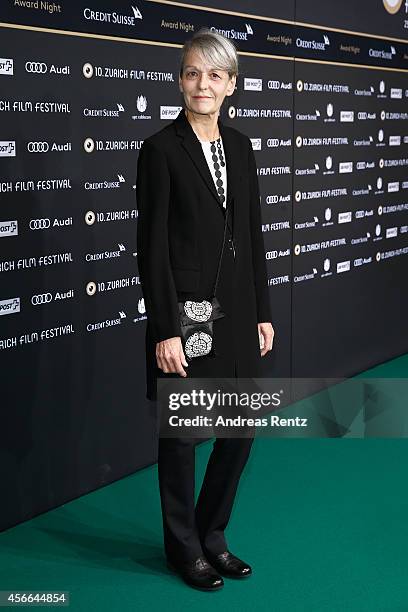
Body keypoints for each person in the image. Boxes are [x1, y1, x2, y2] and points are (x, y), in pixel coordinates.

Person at [136, 28, 275, 591]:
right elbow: (151, 249)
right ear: (180, 80)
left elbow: (254, 236)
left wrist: (264, 311)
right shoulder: (161, 150)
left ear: (231, 85)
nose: (203, 83)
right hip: (189, 316)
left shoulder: (241, 148)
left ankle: (212, 537)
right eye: (193, 72)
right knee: (185, 435)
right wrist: (166, 330)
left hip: (240, 315)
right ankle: (183, 549)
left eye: (215, 74)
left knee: (238, 433)